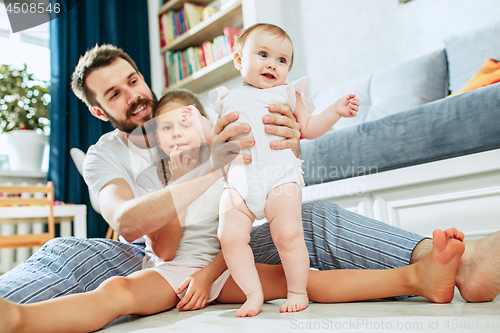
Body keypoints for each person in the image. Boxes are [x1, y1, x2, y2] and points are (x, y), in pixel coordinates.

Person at [0, 44, 498, 307]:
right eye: (113, 94)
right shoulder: (103, 154)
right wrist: (208, 164)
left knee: (311, 219)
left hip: (227, 240)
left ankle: (457, 263)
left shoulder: (189, 115)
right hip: (145, 255)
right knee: (65, 252)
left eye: (132, 79)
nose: (133, 95)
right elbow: (130, 223)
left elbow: (266, 162)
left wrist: (290, 132)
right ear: (98, 113)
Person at [182, 23, 360, 316]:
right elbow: (214, 137)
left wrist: (334, 111)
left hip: (280, 179)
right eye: (263, 54)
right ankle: (253, 294)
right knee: (229, 237)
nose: (272, 65)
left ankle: (297, 291)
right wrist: (195, 122)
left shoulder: (289, 93)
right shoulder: (225, 97)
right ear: (239, 60)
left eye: (282, 60)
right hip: (239, 183)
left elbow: (310, 128)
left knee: (288, 236)